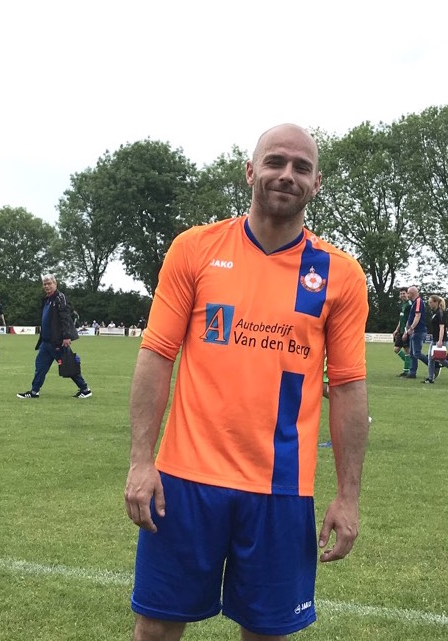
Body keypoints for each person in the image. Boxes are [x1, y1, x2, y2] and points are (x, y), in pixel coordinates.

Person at [123, 123, 370, 641]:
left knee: (266, 634)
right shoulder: (195, 249)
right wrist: (141, 461)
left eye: (301, 167)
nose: (287, 175)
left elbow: (348, 388)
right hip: (185, 481)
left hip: (281, 490)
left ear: (317, 183)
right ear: (250, 171)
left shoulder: (340, 274)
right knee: (156, 629)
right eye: (275, 162)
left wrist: (348, 497)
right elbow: (157, 355)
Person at [16, 274, 91, 399]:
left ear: (55, 284)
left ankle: (85, 389)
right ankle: (34, 391)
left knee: (68, 365)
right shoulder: (47, 299)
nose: (47, 286)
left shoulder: (60, 298)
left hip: (57, 341)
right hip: (46, 342)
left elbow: (65, 317)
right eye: (45, 284)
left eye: (49, 283)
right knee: (40, 366)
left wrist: (66, 336)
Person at [403, 286, 429, 379]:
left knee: (417, 353)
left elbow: (417, 316)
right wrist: (407, 330)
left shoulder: (418, 301)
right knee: (412, 353)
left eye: (408, 293)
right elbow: (411, 317)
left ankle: (433, 365)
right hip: (414, 331)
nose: (407, 295)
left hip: (418, 331)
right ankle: (412, 373)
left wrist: (411, 328)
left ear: (412, 293)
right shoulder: (414, 303)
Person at [392, 288, 412, 376]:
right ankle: (410, 363)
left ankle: (406, 370)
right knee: (396, 349)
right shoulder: (403, 305)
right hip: (401, 330)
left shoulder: (409, 304)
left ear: (407, 294)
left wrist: (407, 331)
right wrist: (397, 329)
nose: (402, 295)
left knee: (407, 350)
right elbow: (401, 319)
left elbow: (410, 319)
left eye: (404, 293)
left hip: (406, 331)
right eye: (401, 294)